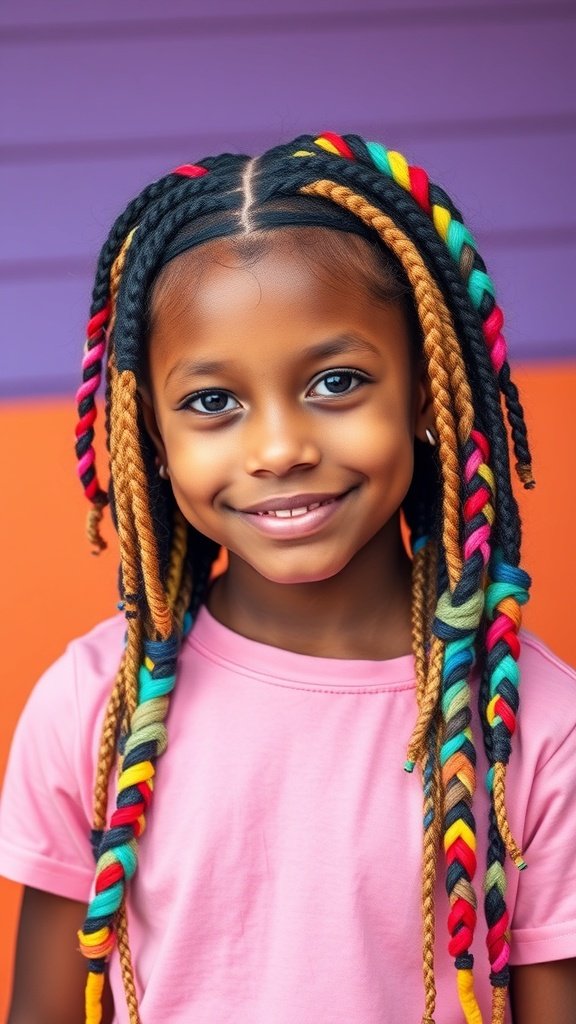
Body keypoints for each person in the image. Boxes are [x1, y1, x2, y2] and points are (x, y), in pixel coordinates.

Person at [1, 132, 575, 1024]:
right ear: (148, 435)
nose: (279, 449)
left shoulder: (535, 729)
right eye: (212, 402)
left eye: (336, 381)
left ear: (426, 388)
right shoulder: (92, 707)